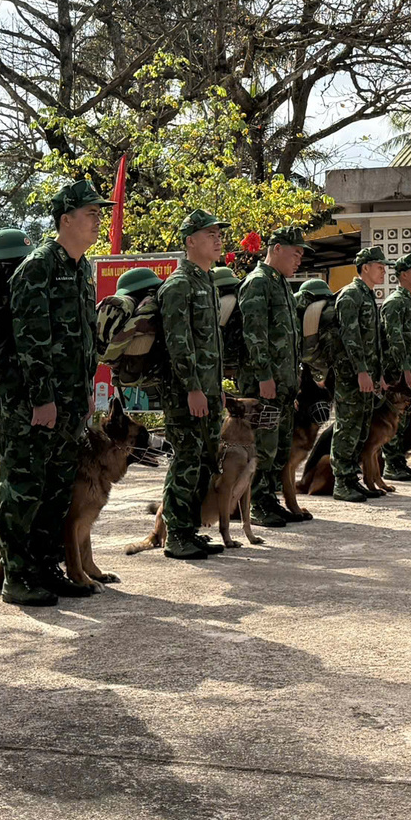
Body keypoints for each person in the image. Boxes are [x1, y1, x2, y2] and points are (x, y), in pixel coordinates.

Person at [0, 181, 104, 605]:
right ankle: (17, 577)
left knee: (57, 491)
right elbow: (30, 339)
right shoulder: (38, 267)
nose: (96, 220)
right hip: (32, 405)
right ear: (65, 220)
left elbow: (85, 339)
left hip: (70, 403)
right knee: (24, 489)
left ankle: (45, 567)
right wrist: (42, 398)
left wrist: (87, 391)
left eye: (98, 213)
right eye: (89, 213)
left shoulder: (81, 268)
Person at [157, 210, 226, 559]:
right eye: (209, 234)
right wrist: (193, 388)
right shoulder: (179, 285)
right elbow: (178, 343)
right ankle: (175, 535)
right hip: (187, 393)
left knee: (203, 460)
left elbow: (212, 344)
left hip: (209, 390)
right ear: (190, 241)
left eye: (218, 234)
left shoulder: (207, 281)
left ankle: (190, 530)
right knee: (186, 460)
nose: (217, 239)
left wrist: (217, 388)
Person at [240, 226, 304, 528]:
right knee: (262, 447)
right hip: (264, 384)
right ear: (276, 248)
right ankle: (256, 503)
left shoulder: (282, 286)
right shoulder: (258, 283)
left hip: (283, 385)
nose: (300, 258)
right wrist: (265, 376)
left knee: (277, 447)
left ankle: (269, 499)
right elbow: (254, 334)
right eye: (296, 251)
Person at [329, 246, 388, 502]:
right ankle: (341, 483)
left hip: (366, 376)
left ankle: (352, 478)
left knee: (362, 428)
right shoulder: (351, 296)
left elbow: (372, 342)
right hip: (351, 376)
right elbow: (350, 339)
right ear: (365, 267)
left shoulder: (367, 296)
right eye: (379, 266)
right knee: (348, 428)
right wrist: (362, 372)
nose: (384, 271)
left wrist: (378, 374)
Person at [379, 255, 411, 481]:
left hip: (408, 368)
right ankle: (391, 464)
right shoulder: (395, 302)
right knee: (394, 416)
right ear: (404, 275)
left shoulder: (410, 300)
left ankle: (399, 461)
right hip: (396, 371)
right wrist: (405, 369)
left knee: (405, 417)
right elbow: (394, 338)